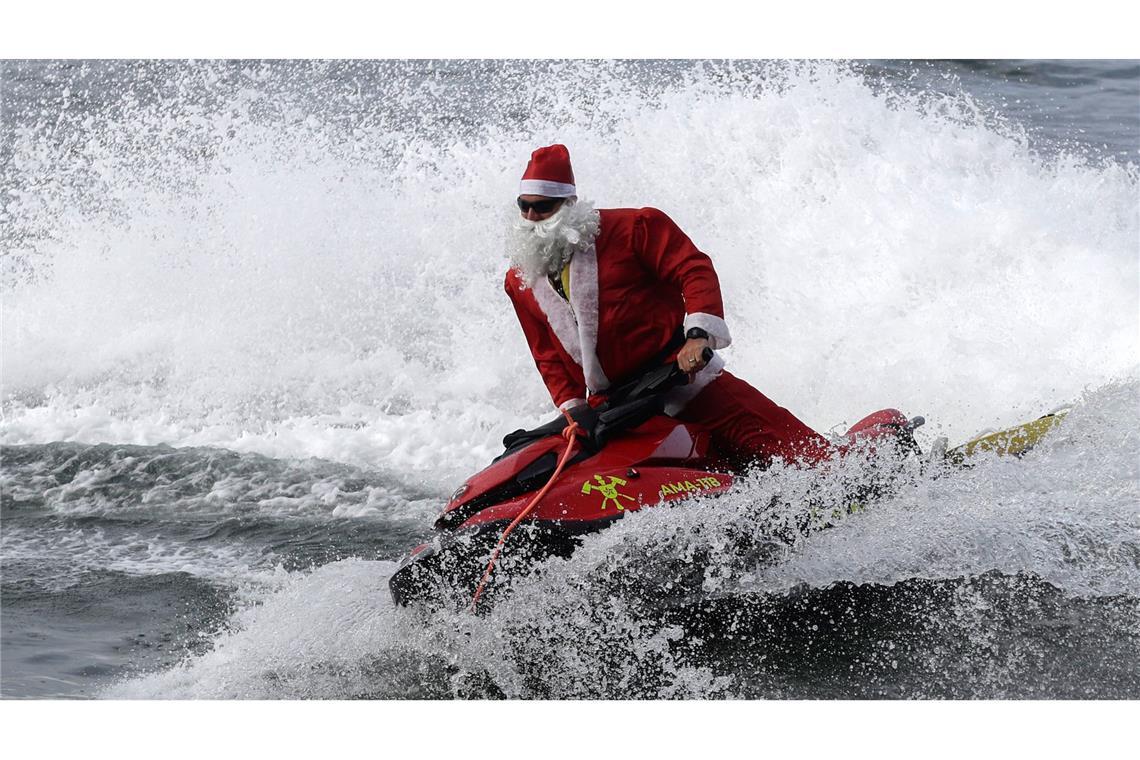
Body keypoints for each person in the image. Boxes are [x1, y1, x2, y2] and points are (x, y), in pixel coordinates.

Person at [505, 143, 836, 470]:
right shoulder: (520, 281)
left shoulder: (634, 228)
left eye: (543, 207)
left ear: (569, 204)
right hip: (613, 407)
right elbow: (546, 354)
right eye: (525, 206)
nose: (532, 217)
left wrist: (698, 335)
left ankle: (840, 470)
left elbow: (693, 270)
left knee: (796, 452)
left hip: (682, 378)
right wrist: (573, 408)